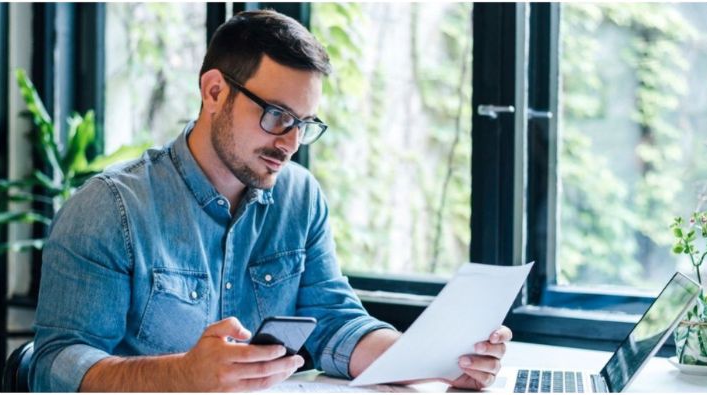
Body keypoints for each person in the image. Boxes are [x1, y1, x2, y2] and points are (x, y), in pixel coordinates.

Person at [29, 10, 512, 392]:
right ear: (214, 91)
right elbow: (55, 367)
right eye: (278, 115)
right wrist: (180, 378)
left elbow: (334, 322)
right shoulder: (111, 209)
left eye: (304, 124)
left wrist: (437, 363)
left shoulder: (300, 198)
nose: (290, 142)